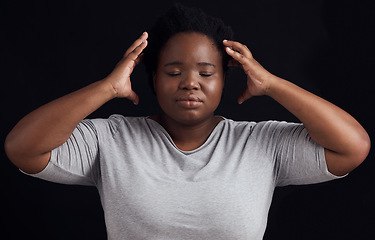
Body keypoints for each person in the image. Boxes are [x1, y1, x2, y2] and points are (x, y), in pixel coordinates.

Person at [4, 4, 370, 240]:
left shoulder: (261, 143)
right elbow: (22, 148)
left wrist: (271, 84)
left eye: (206, 72)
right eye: (173, 71)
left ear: (226, 78)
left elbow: (352, 146)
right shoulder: (112, 139)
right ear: (152, 79)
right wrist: (106, 88)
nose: (189, 82)